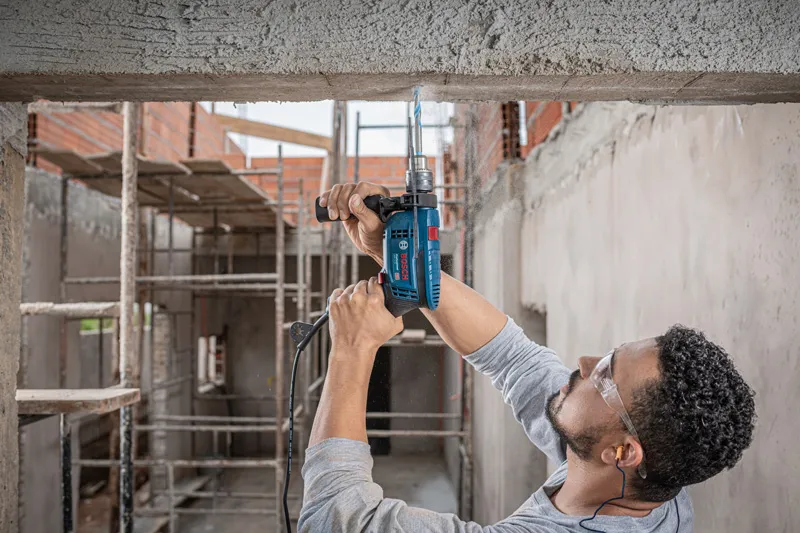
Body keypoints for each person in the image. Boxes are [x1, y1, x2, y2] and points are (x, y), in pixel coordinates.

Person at [298, 183, 757, 533]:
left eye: (603, 377)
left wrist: (353, 350)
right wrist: (406, 264)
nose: (583, 362)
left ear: (623, 452)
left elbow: (336, 520)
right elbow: (513, 358)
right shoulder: (640, 482)